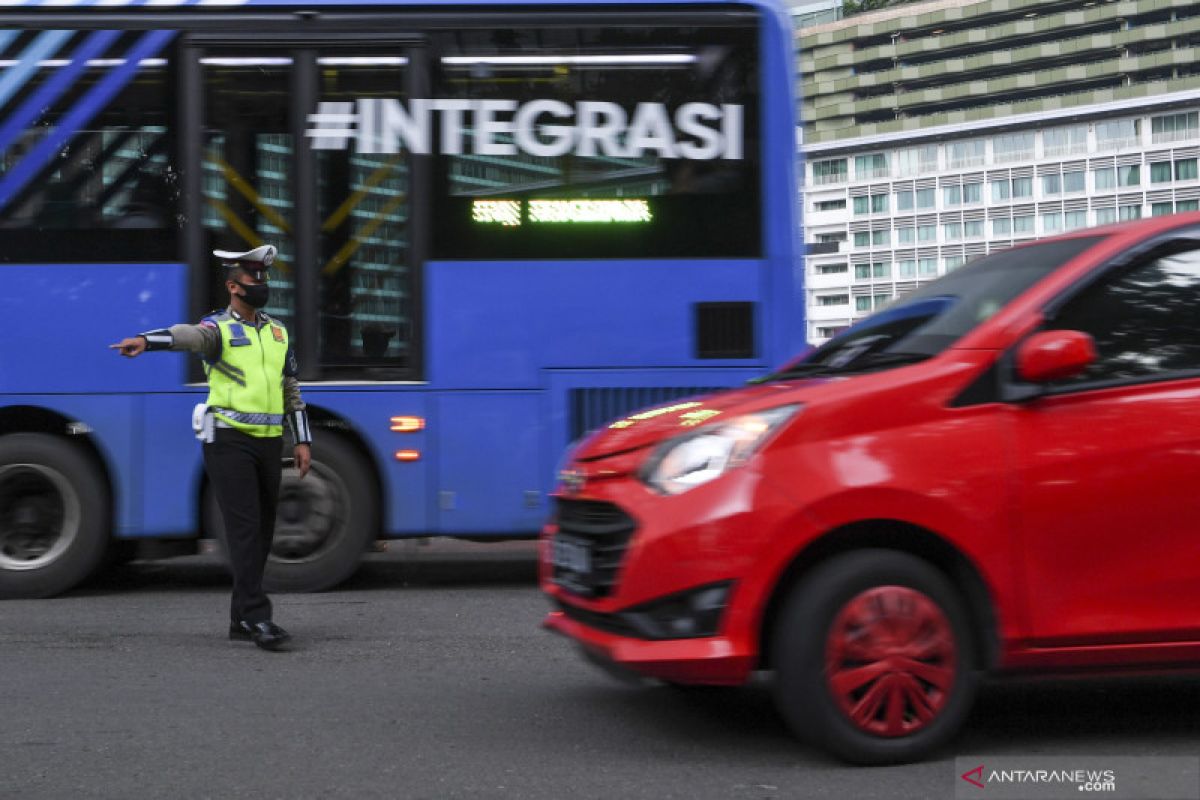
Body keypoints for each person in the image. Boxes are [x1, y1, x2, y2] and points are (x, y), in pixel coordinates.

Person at [110, 244, 312, 652]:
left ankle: (240, 618)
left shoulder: (277, 332)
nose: (262, 285)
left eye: (264, 278)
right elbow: (188, 336)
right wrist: (148, 341)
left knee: (263, 532)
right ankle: (259, 618)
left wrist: (303, 438)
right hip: (228, 440)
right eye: (254, 279)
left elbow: (290, 388)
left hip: (270, 443)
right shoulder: (218, 329)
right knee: (244, 530)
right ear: (233, 286)